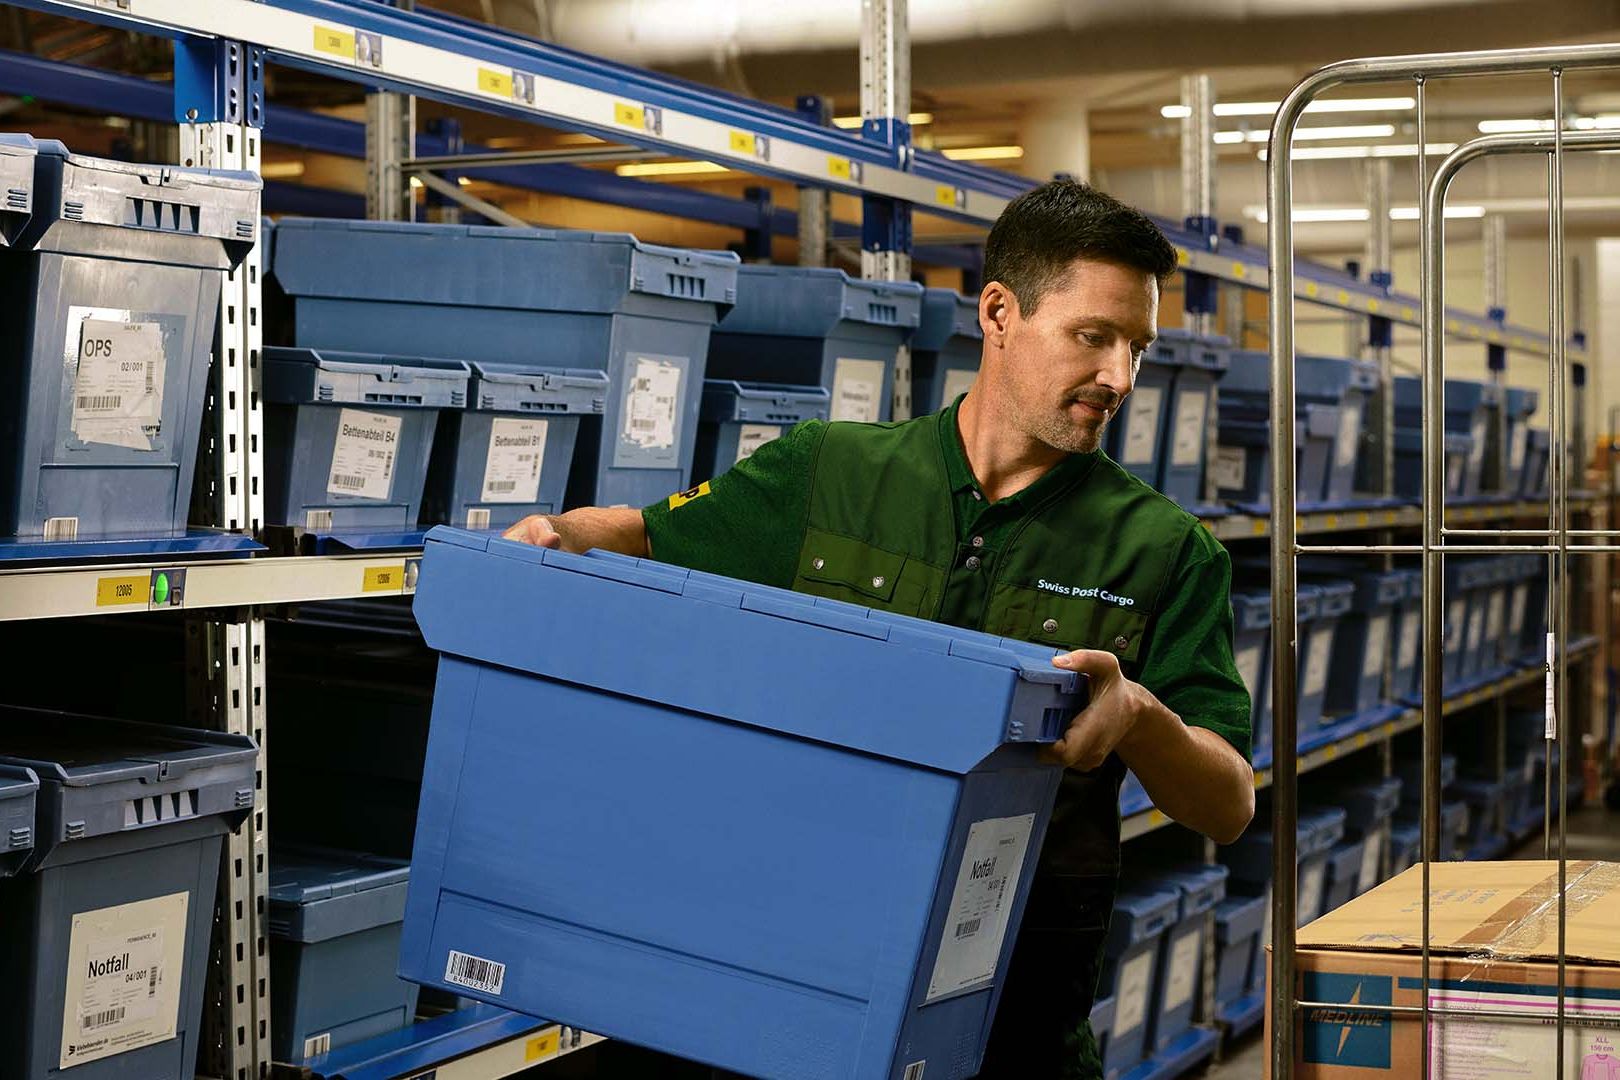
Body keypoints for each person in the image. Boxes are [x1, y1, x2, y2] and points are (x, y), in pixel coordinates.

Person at [503, 179, 1254, 1079]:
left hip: (1008, 1017)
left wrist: (1138, 715)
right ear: (1000, 313)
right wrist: (559, 532)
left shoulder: (1169, 551)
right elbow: (650, 535)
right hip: (789, 973)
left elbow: (1228, 803)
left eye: (1138, 347)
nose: (1120, 377)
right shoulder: (827, 472)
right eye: (1093, 336)